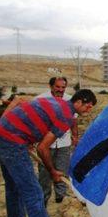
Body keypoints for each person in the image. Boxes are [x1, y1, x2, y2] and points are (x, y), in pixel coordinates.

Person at [0, 89, 97, 217]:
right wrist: (52, 171)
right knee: (34, 192)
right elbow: (43, 148)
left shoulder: (58, 102)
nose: (88, 110)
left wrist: (26, 135)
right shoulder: (66, 117)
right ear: (79, 102)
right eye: (88, 106)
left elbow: (27, 109)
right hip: (11, 143)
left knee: (14, 188)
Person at [35, 77, 78, 205]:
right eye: (57, 87)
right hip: (46, 143)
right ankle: (43, 199)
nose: (60, 90)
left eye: (63, 87)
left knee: (62, 170)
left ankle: (61, 197)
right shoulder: (40, 100)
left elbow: (74, 120)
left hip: (64, 142)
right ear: (51, 86)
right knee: (45, 173)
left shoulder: (70, 100)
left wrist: (75, 136)